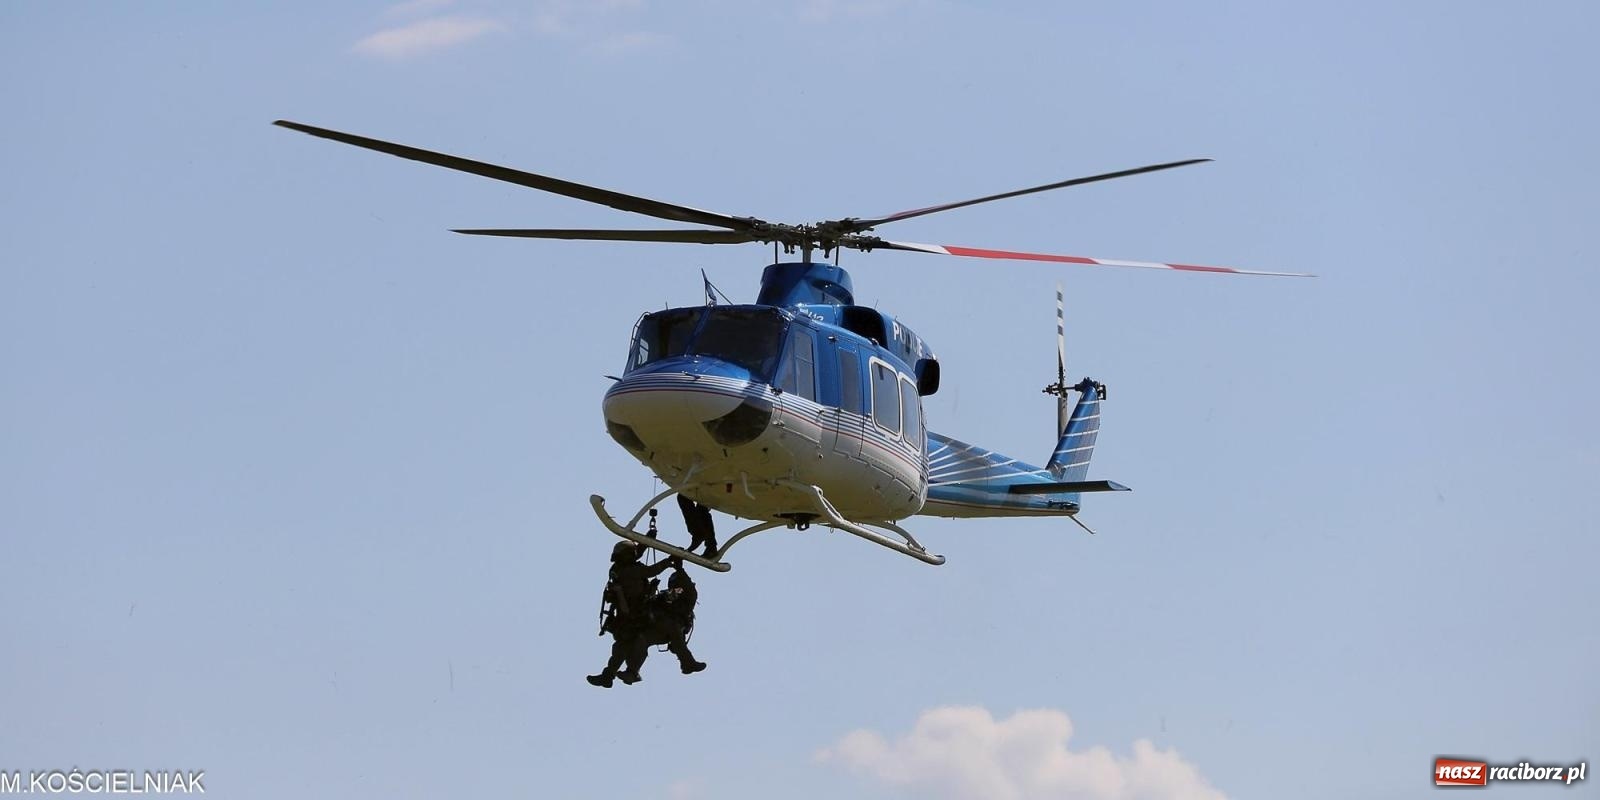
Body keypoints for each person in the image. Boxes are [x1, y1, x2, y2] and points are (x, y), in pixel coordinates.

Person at [588, 543, 679, 688]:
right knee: (624, 647)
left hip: (626, 617)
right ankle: (623, 673)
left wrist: (646, 540)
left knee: (622, 648)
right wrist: (668, 561)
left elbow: (636, 556)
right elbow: (651, 571)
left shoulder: (618, 568)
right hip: (635, 616)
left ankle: (611, 675)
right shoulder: (632, 571)